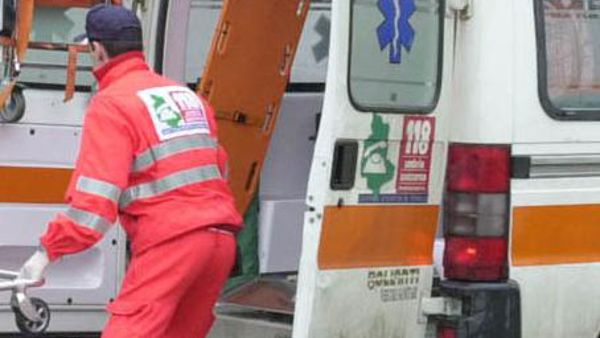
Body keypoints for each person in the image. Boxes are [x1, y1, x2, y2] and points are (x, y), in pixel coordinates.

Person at [17, 4, 243, 337]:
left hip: (173, 245)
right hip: (219, 244)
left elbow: (93, 204)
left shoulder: (111, 104)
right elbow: (217, 170)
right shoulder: (187, 97)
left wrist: (46, 252)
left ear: (96, 49)